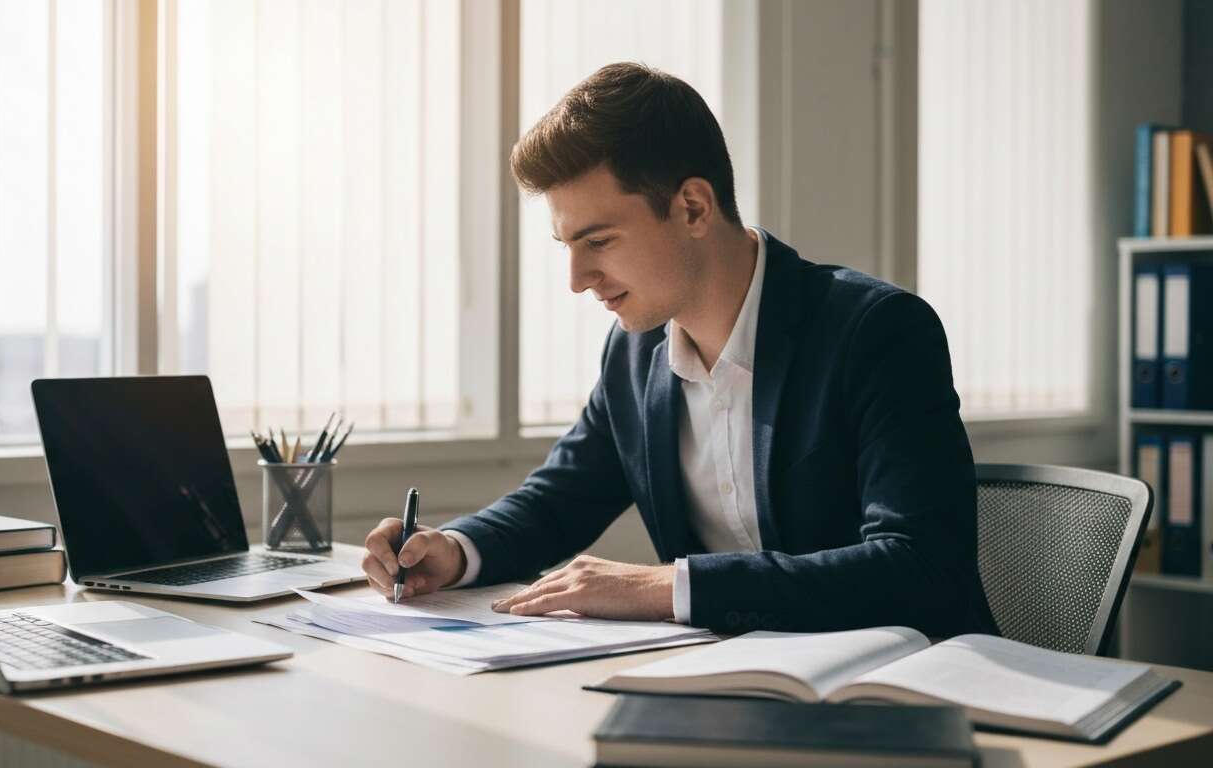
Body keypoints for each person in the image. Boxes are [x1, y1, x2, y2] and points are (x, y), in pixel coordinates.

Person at [362, 62, 997, 636]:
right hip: (729, 690)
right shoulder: (634, 354)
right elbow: (557, 501)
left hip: (902, 690)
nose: (577, 279)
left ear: (693, 206)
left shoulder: (876, 331)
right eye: (567, 247)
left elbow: (920, 567)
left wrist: (669, 586)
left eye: (600, 242)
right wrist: (451, 549)